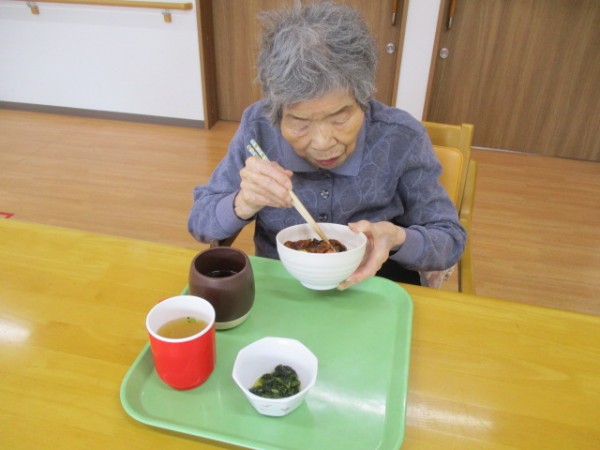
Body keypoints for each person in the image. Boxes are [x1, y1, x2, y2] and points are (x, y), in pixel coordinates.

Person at [188, 1, 466, 290]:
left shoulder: (401, 137)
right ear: (277, 110)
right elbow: (199, 222)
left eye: (339, 118)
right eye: (300, 122)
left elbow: (450, 239)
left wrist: (397, 238)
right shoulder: (259, 128)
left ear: (364, 99)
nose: (322, 142)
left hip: (375, 289)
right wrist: (243, 203)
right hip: (286, 290)